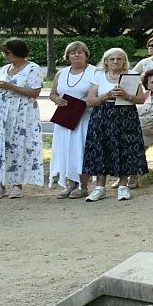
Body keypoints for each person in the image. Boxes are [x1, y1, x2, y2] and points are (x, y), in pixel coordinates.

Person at [0, 38, 44, 199]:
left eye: (7, 53)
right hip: (1, 111)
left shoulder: (32, 68)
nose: (5, 56)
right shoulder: (5, 68)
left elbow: (35, 93)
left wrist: (11, 86)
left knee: (18, 144)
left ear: (18, 52)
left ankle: (17, 184)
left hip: (22, 111)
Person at [82, 47, 148, 201]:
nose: (115, 62)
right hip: (103, 115)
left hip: (126, 114)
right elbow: (90, 101)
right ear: (106, 61)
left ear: (124, 61)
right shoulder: (98, 76)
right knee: (101, 147)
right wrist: (107, 95)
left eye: (119, 59)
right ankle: (100, 187)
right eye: (112, 59)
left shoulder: (131, 75)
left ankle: (123, 185)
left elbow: (141, 99)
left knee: (125, 147)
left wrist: (126, 95)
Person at [50, 41, 101, 198]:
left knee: (81, 150)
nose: (77, 55)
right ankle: (71, 183)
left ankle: (83, 186)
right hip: (65, 118)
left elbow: (98, 94)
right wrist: (56, 100)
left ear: (86, 55)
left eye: (80, 52)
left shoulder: (95, 72)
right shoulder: (61, 73)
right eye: (73, 52)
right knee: (66, 150)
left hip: (84, 117)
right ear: (68, 56)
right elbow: (52, 93)